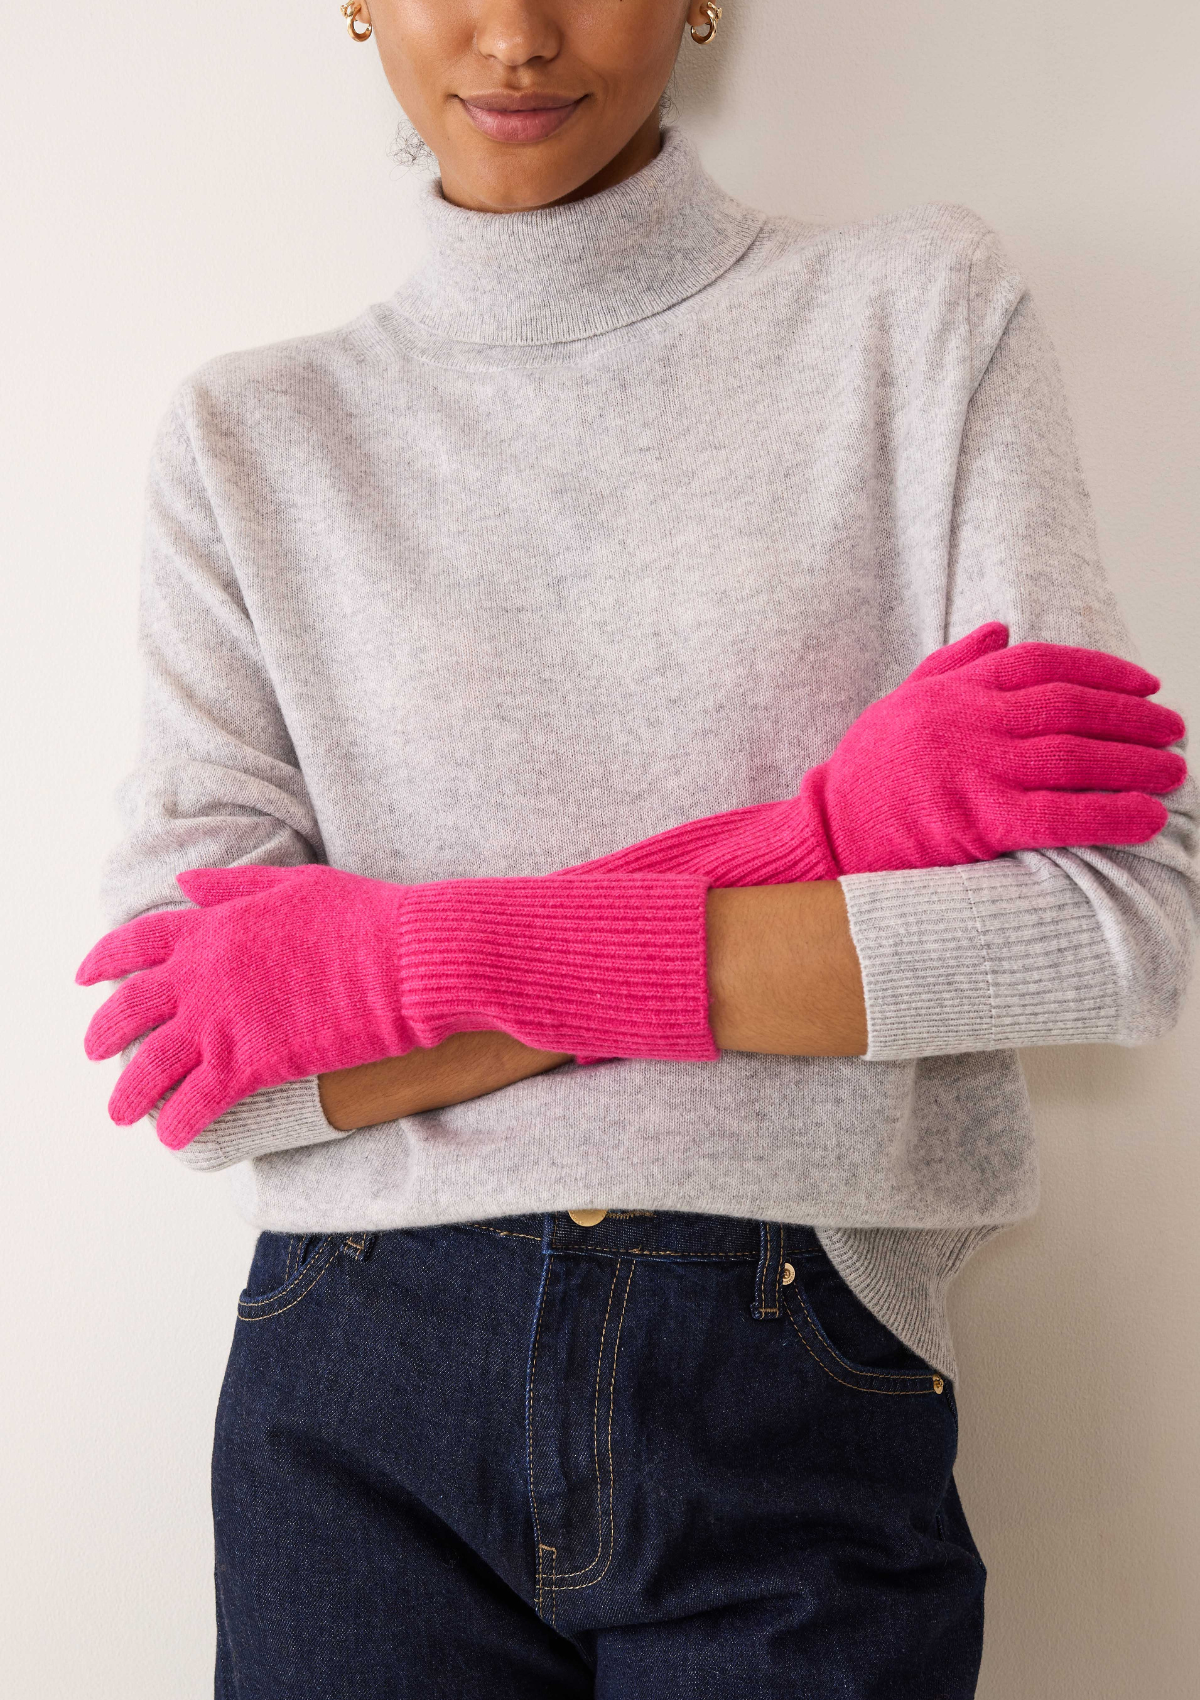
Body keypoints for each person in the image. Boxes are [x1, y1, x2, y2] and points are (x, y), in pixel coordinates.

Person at [76, 3, 1197, 1695]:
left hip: (791, 1362)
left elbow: (1118, 929)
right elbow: (203, 1071)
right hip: (353, 1395)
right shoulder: (251, 442)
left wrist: (406, 973)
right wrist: (811, 844)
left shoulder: (917, 318)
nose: (517, 36)